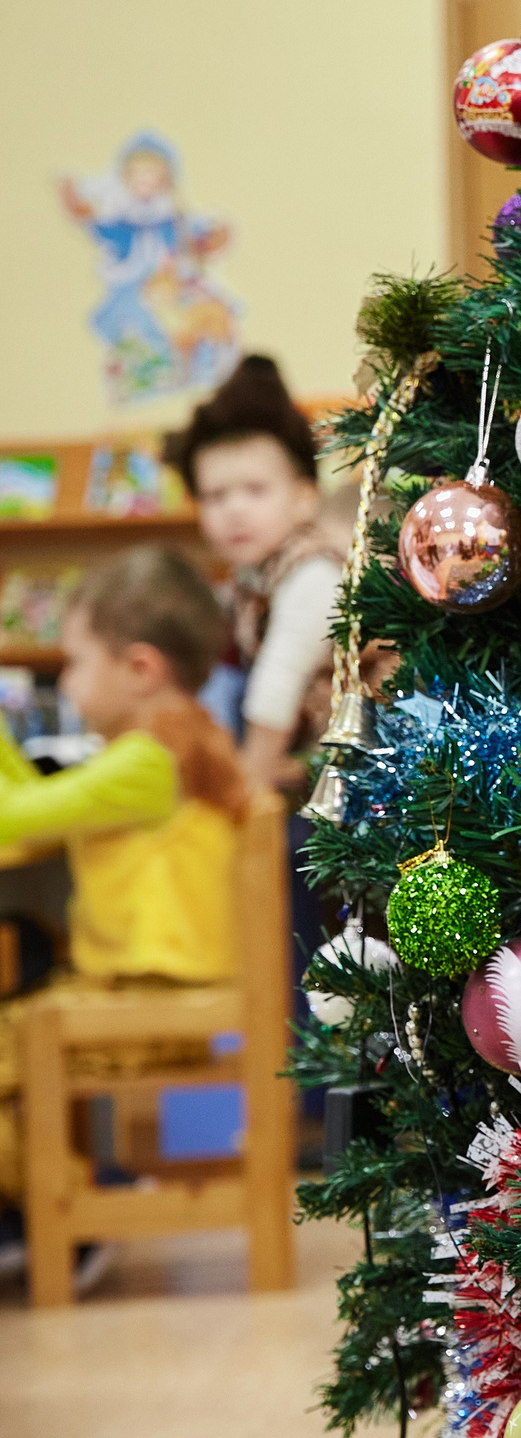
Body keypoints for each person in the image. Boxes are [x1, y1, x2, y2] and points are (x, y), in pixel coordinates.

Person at [0, 548, 246, 1288]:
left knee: (10, 1043)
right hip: (154, 988)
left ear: (140, 669)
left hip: (158, 996)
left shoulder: (149, 761)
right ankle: (51, 1211)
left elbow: (13, 816)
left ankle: (55, 1227)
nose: (65, 682)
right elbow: (30, 822)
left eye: (72, 663)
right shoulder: (164, 744)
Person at [163, 354, 339, 800]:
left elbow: (275, 688)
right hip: (303, 772)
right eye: (215, 496)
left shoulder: (313, 573)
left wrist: (244, 791)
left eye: (256, 490)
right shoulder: (249, 578)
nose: (234, 510)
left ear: (303, 499)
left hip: (354, 784)